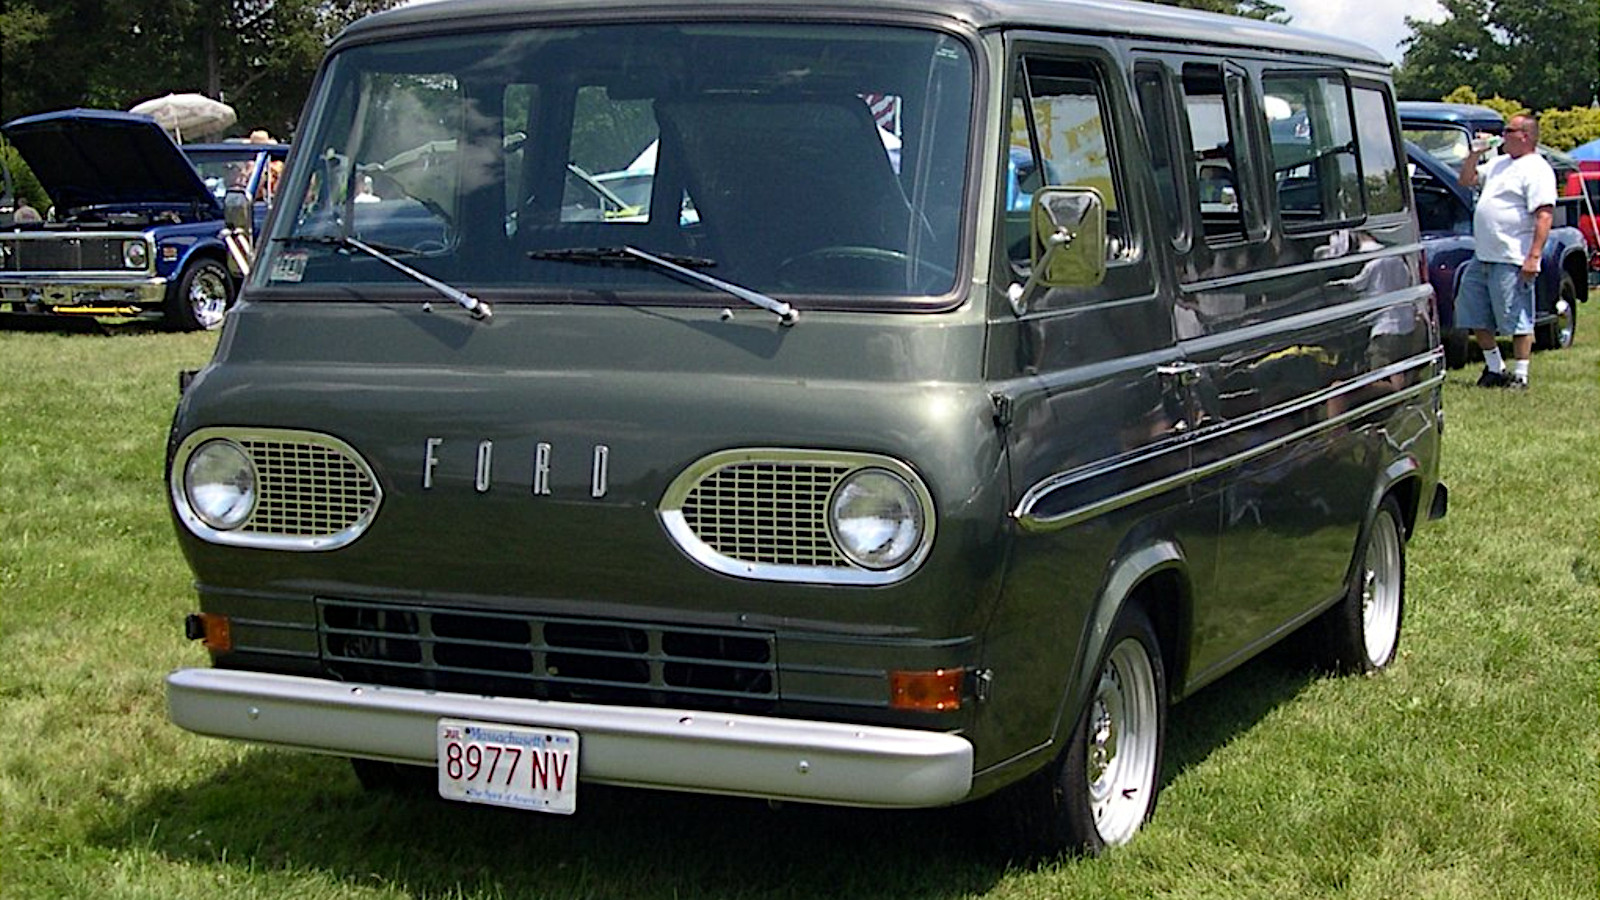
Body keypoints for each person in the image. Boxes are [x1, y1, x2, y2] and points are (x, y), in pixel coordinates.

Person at [1455, 114, 1557, 390]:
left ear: (1525, 136)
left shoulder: (1537, 169)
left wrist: (1533, 256)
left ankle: (1521, 375)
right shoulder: (1499, 163)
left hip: (1512, 256)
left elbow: (1544, 215)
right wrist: (1474, 155)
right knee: (1473, 311)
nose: (1501, 135)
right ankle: (1495, 369)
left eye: (1507, 130)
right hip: (1483, 255)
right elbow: (1466, 180)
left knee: (1516, 316)